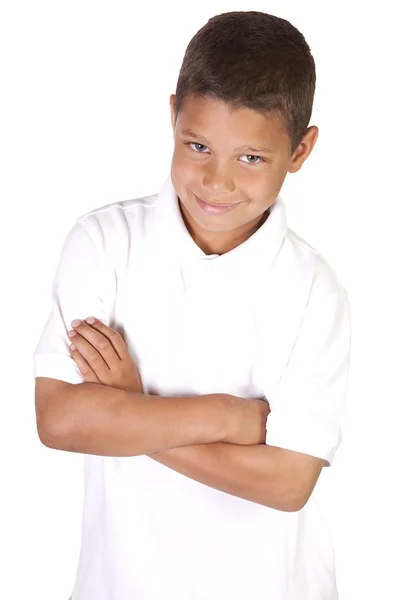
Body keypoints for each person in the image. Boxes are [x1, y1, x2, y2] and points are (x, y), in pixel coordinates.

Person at [33, 10, 351, 600]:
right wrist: (230, 418)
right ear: (172, 116)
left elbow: (287, 482)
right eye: (198, 145)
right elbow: (61, 419)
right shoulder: (105, 244)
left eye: (251, 158)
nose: (217, 181)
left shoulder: (313, 290)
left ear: (301, 149)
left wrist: (130, 411)